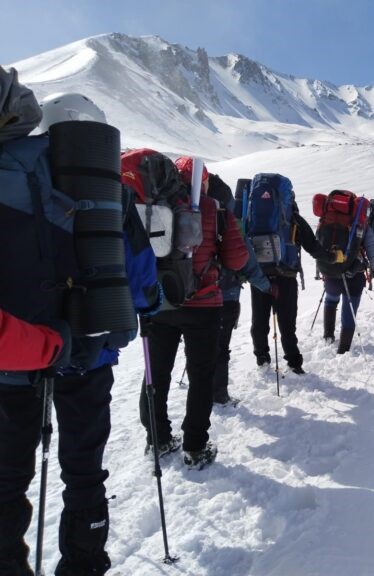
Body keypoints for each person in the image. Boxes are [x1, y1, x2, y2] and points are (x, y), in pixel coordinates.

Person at [1, 70, 162, 575]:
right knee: (84, 472)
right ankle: (85, 564)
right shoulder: (111, 190)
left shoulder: (5, 169)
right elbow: (139, 275)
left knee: (5, 482)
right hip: (90, 353)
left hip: (13, 364)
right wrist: (149, 308)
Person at [138, 157, 249, 470]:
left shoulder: (153, 204)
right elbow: (237, 260)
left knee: (155, 373)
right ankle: (195, 447)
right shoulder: (215, 208)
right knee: (200, 376)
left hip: (160, 304)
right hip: (203, 305)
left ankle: (157, 439)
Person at [250, 188, 341, 374]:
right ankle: (294, 363)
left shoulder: (253, 216)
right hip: (286, 277)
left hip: (259, 276)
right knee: (286, 323)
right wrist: (331, 258)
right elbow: (313, 247)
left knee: (259, 321)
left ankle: (262, 359)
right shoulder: (294, 219)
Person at [205, 173, 271, 405]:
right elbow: (247, 261)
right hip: (227, 295)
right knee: (221, 347)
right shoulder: (230, 222)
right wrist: (266, 286)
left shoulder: (190, 216)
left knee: (199, 348)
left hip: (191, 295)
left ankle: (201, 393)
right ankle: (219, 395)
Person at [322, 219, 374, 355]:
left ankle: (328, 336)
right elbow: (372, 247)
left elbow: (320, 244)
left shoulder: (328, 219)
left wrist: (322, 269)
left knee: (330, 300)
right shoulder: (362, 224)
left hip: (332, 272)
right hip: (354, 274)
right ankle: (343, 349)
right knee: (349, 311)